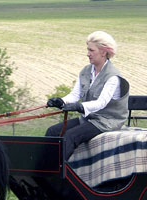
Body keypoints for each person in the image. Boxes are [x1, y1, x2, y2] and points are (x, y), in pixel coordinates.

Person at [45, 31, 130, 162]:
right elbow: (75, 94)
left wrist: (79, 107)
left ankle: (57, 175)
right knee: (52, 131)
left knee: (70, 137)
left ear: (103, 52)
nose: (87, 53)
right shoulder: (85, 71)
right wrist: (61, 101)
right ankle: (43, 170)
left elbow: (101, 103)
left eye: (91, 50)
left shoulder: (113, 77)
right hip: (89, 119)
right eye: (87, 49)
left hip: (107, 121)